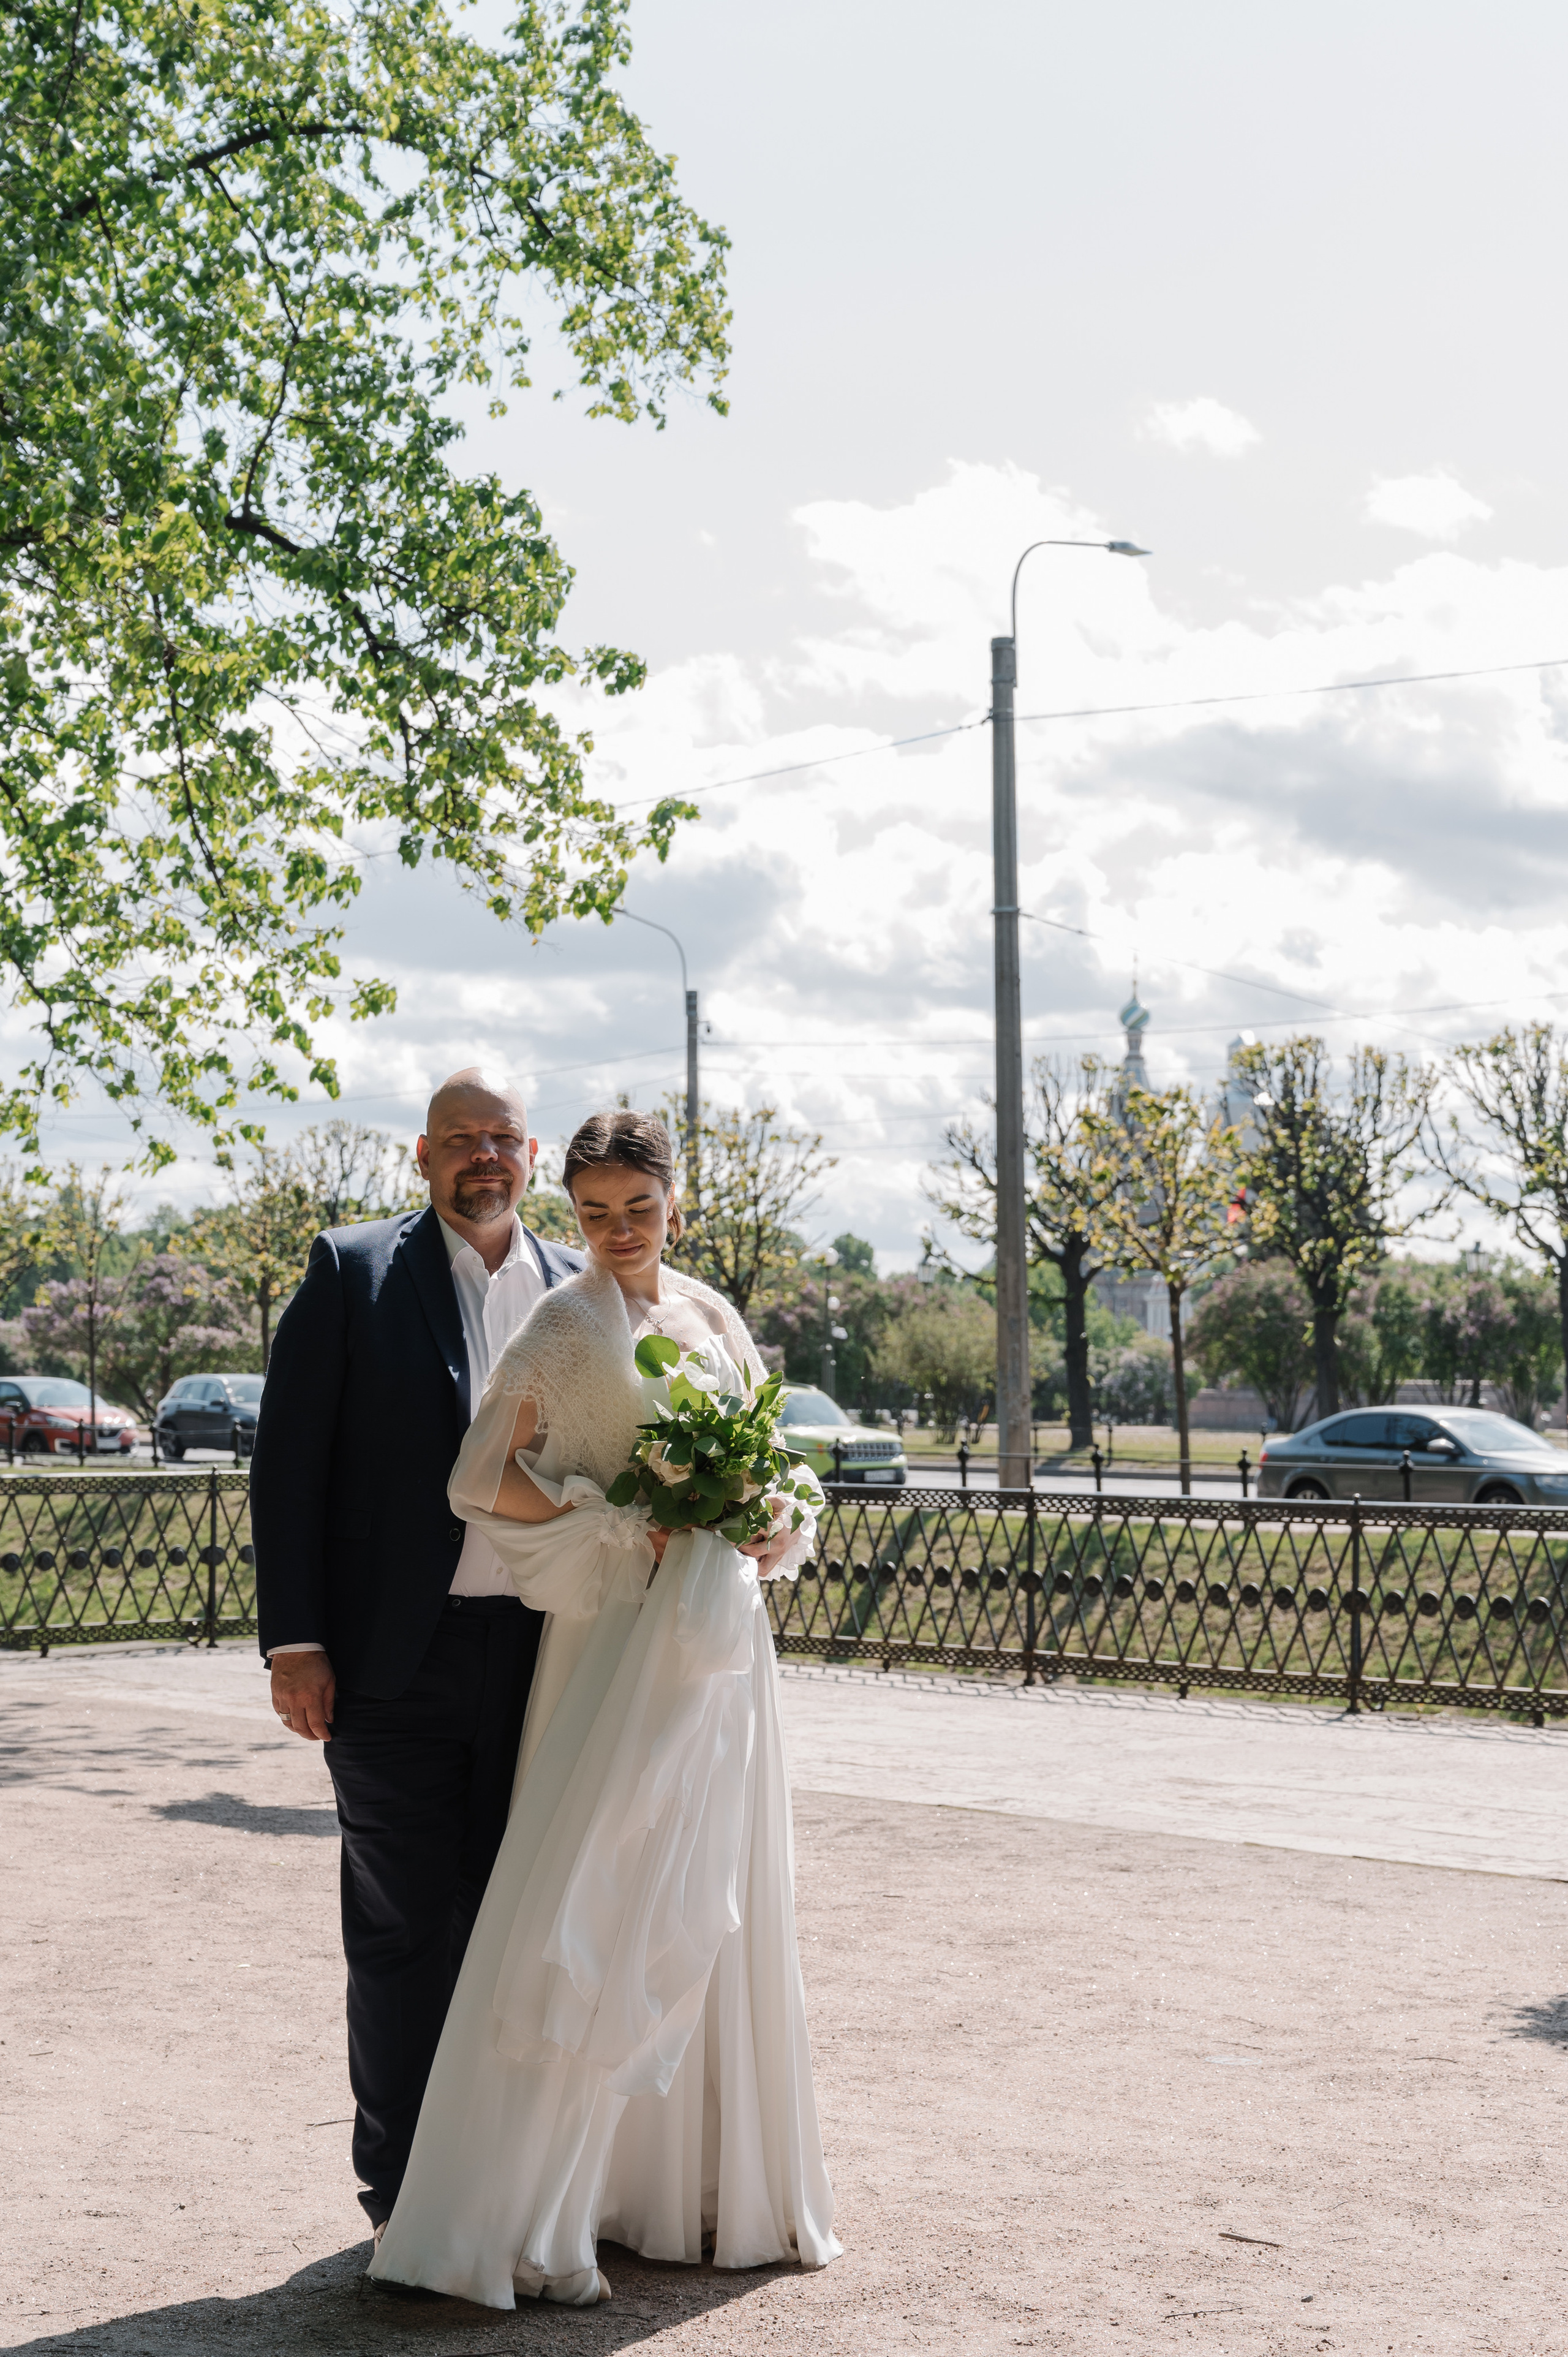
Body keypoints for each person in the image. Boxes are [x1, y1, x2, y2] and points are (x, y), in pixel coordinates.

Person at [368, 1109, 840, 2307]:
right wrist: (619, 1521)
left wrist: (772, 1517)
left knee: (713, 1897)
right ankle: (542, 2207)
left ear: (672, 1201)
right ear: (568, 1214)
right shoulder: (562, 1323)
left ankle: (693, 2194)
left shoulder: (712, 1315)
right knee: (593, 1898)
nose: (617, 1230)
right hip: (613, 1644)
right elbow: (479, 1478)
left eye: (636, 1207)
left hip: (720, 1647)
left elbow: (778, 1465)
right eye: (591, 1212)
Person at [249, 1069, 582, 2235]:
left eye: (502, 1138)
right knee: (404, 1926)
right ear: (423, 1155)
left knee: (521, 1921)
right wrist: (296, 1643)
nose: (483, 1158)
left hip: (552, 1663)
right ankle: (401, 2201)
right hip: (395, 1662)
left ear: (532, 1154)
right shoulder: (352, 1271)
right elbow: (287, 1466)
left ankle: (501, 2178)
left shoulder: (578, 1286)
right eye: (461, 1140)